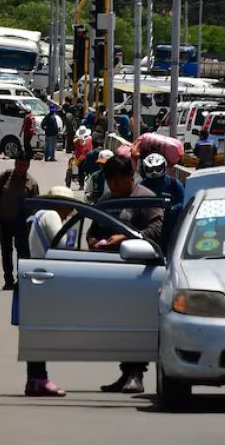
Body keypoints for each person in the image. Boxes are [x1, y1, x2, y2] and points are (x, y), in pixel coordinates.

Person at [88, 154, 165, 395]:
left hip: (140, 273)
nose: (114, 187)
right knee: (118, 324)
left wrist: (127, 237)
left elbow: (156, 229)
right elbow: (94, 227)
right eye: (110, 182)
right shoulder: (109, 199)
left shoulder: (145, 198)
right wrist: (94, 241)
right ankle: (125, 372)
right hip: (113, 272)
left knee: (135, 322)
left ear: (130, 177)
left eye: (118, 181)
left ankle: (136, 374)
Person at [18, 185, 79, 397]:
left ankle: (35, 377)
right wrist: (73, 233)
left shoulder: (39, 215)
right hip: (45, 276)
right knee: (40, 332)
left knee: (36, 330)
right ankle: (38, 378)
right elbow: (64, 245)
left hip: (35, 273)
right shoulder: (52, 216)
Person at [0, 155, 40, 289]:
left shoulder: (32, 183)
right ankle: (8, 279)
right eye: (18, 164)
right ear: (15, 163)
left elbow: (36, 205)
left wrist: (34, 222)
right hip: (4, 220)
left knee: (22, 252)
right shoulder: (5, 176)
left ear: (28, 166)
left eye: (23, 165)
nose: (20, 168)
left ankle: (20, 280)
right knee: (6, 250)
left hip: (22, 223)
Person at [138, 153, 186, 258]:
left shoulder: (174, 183)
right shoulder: (142, 185)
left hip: (170, 223)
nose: (154, 172)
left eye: (157, 168)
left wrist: (172, 208)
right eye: (150, 169)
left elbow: (183, 201)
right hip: (150, 225)